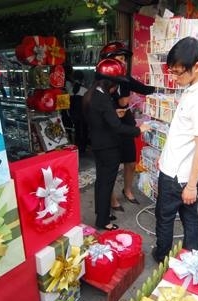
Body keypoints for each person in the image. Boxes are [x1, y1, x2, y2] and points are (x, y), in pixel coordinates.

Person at [151, 37, 198, 263]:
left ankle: (162, 256)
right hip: (180, 169)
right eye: (173, 72)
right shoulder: (195, 89)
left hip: (179, 176)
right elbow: (184, 134)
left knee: (165, 217)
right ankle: (190, 259)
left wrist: (190, 185)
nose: (175, 78)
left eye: (179, 73)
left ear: (197, 66)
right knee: (188, 215)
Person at [82, 58, 151, 231]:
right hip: (108, 147)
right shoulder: (103, 98)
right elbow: (117, 127)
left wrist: (113, 113)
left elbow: (102, 119)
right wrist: (139, 129)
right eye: (115, 84)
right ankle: (103, 221)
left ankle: (102, 213)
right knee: (106, 183)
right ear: (109, 82)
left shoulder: (93, 94)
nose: (116, 89)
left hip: (98, 144)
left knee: (101, 182)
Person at [98, 41, 156, 212]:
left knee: (130, 162)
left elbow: (145, 90)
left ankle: (128, 189)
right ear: (108, 60)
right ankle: (112, 197)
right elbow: (100, 105)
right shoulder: (101, 80)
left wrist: (166, 85)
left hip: (126, 123)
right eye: (119, 58)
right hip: (110, 125)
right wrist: (115, 106)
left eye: (124, 58)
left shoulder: (126, 78)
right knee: (111, 165)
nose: (123, 61)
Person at [68, 70, 89, 154]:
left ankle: (77, 148)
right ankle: (83, 149)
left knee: (77, 131)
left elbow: (69, 105)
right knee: (84, 131)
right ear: (82, 78)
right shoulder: (85, 90)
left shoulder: (70, 90)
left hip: (74, 115)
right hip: (83, 115)